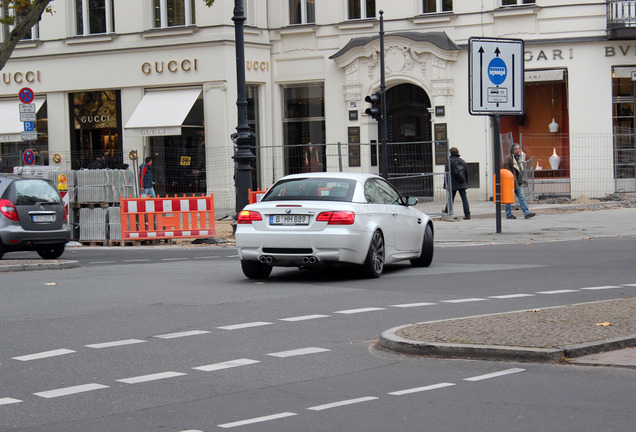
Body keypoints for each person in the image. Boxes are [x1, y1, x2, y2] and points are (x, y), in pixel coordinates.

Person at [503, 144, 536, 220]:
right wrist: (509, 179)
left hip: (518, 181)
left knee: (521, 197)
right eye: (518, 149)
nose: (520, 151)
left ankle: (526, 213)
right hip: (511, 182)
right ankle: (508, 214)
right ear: (514, 150)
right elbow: (506, 170)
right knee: (509, 198)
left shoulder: (518, 158)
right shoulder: (508, 158)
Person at [443, 147, 471, 220]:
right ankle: (467, 214)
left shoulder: (449, 161)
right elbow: (466, 172)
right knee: (464, 199)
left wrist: (446, 185)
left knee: (450, 199)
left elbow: (446, 174)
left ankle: (447, 212)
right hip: (462, 182)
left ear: (450, 153)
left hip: (453, 183)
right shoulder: (462, 161)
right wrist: (466, 182)